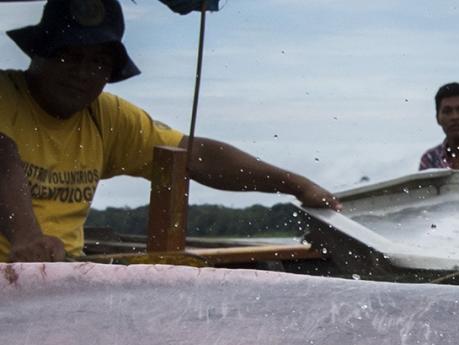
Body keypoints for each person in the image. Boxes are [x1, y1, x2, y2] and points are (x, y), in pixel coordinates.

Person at [0, 0, 339, 263]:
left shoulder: (105, 115)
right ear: (39, 53)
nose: (83, 73)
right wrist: (26, 239)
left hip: (64, 274)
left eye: (98, 62)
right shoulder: (6, 95)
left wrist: (297, 185)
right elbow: (2, 156)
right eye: (69, 57)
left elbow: (197, 157)